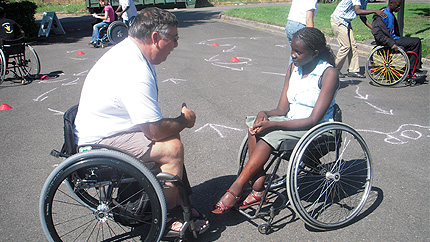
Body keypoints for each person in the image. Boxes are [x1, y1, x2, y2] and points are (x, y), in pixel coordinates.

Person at [75, 7, 209, 233]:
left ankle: (177, 200)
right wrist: (184, 120)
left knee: (171, 136)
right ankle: (163, 219)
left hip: (105, 129)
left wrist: (175, 125)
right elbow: (154, 131)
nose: (176, 45)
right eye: (174, 38)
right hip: (99, 141)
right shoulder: (134, 69)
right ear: (155, 38)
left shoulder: (131, 52)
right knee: (172, 148)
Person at [212, 27, 340, 214]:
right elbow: (282, 109)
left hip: (316, 129)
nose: (293, 55)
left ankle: (237, 187)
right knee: (255, 127)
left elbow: (313, 119)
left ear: (314, 53)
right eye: (292, 49)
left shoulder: (328, 74)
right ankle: (257, 186)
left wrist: (274, 124)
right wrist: (264, 113)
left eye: (298, 52)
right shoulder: (293, 69)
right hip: (291, 121)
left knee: (269, 135)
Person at [330, 0, 387, 78]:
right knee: (345, 46)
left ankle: (353, 70)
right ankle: (334, 69)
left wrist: (373, 29)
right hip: (338, 20)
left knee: (353, 46)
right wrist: (375, 11)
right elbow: (358, 11)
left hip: (346, 22)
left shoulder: (364, 1)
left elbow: (362, 16)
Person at [371, 0, 426, 77]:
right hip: (391, 41)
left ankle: (411, 68)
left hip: (394, 39)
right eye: (397, 5)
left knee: (414, 42)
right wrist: (391, 43)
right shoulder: (382, 15)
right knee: (416, 42)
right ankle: (413, 70)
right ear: (391, 3)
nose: (399, 8)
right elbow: (377, 33)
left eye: (400, 6)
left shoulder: (390, 14)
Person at [285, 0, 318, 64]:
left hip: (290, 24)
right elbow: (308, 19)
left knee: (294, 54)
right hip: (300, 25)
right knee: (301, 56)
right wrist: (312, 37)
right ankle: (296, 72)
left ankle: (291, 72)